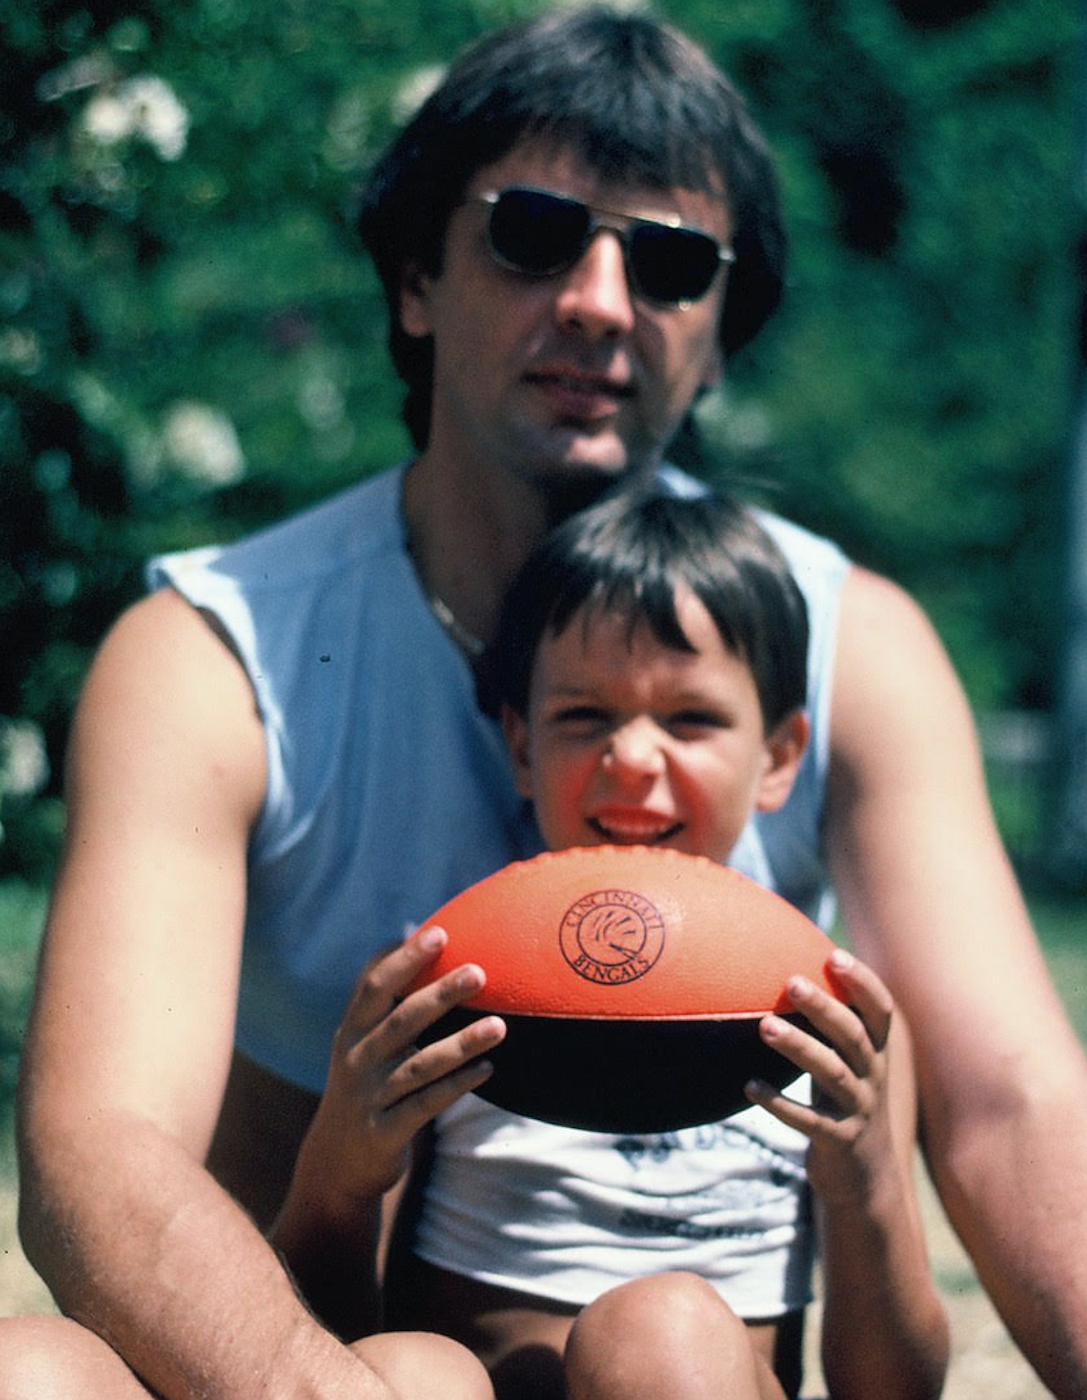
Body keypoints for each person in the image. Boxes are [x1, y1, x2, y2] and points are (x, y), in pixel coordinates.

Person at [0, 7, 1087, 1398]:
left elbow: (1008, 1103)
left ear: (719, 338)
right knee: (13, 1373)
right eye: (534, 233)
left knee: (664, 1351)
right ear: (417, 279)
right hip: (321, 1359)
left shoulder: (847, 641)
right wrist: (321, 1392)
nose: (604, 300)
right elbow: (102, 1150)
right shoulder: (214, 655)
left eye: (674, 262)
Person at [270, 486, 950, 1400]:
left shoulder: (833, 1019)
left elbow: (894, 1388)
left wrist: (862, 1185)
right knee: (407, 1371)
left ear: (782, 756)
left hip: (692, 1379)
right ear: (519, 744)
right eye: (583, 717)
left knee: (657, 1331)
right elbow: (314, 1333)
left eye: (691, 719)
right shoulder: (440, 984)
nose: (631, 757)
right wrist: (341, 1176)